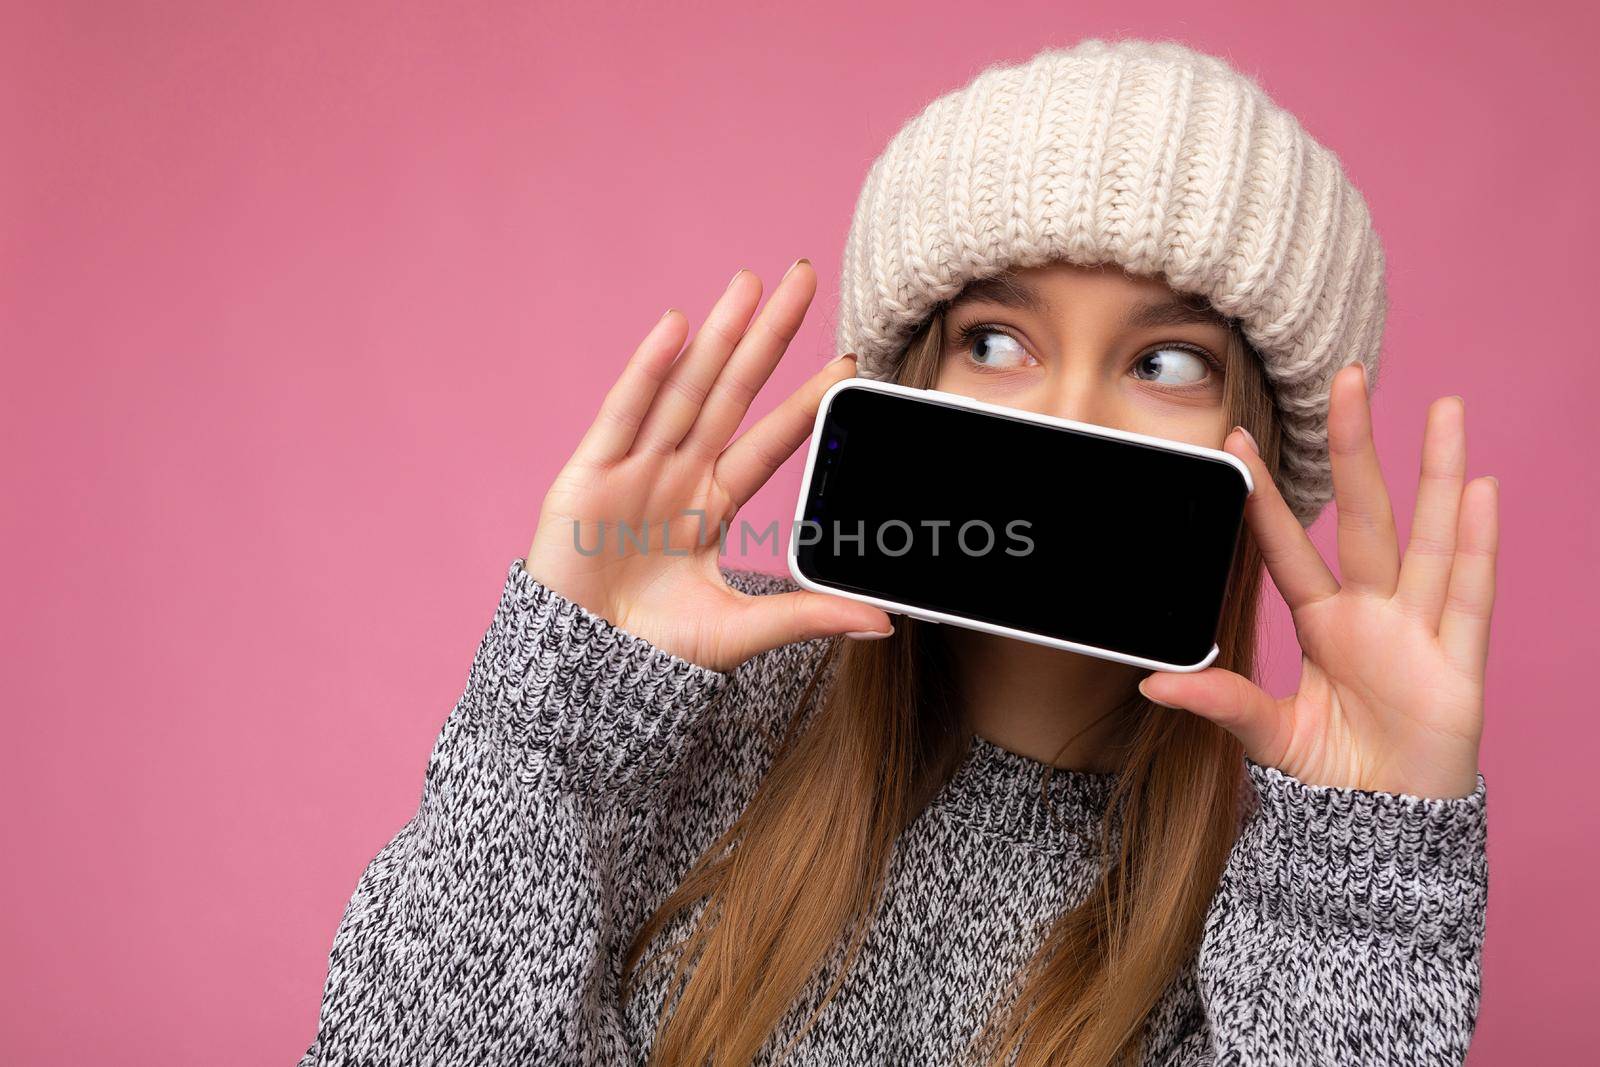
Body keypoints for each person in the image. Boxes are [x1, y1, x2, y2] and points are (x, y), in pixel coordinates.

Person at [298, 39, 1494, 1067]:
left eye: (1164, 362)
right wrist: (552, 726)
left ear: (1258, 457)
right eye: (994, 338)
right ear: (907, 377)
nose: (1064, 418)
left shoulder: (1280, 898)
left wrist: (1367, 890)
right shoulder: (681, 710)